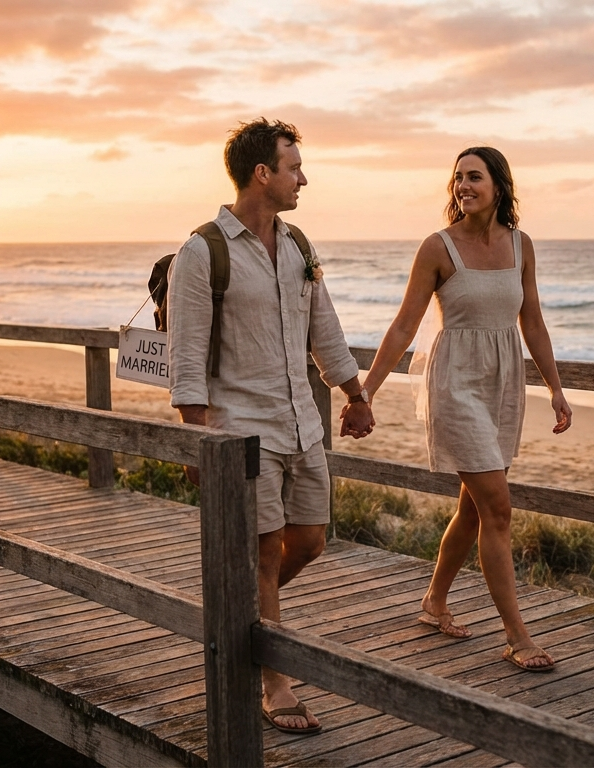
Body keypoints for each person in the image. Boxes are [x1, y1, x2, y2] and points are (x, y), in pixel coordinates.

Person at [167, 118, 374, 734]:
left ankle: (236, 618)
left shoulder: (299, 244)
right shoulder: (202, 252)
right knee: (262, 554)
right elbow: (186, 358)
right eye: (294, 167)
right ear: (264, 173)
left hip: (302, 425)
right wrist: (198, 439)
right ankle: (275, 683)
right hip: (240, 431)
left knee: (308, 540)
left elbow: (325, 327)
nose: (303, 178)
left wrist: (355, 393)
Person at [357, 146, 572, 672]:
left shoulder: (522, 246)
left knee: (473, 507)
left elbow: (534, 324)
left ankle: (433, 601)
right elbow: (405, 325)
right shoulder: (438, 247)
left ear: (499, 184)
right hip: (455, 383)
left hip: (503, 383)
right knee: (499, 508)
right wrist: (366, 391)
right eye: (458, 179)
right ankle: (517, 635)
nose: (463, 186)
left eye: (474, 177)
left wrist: (557, 388)